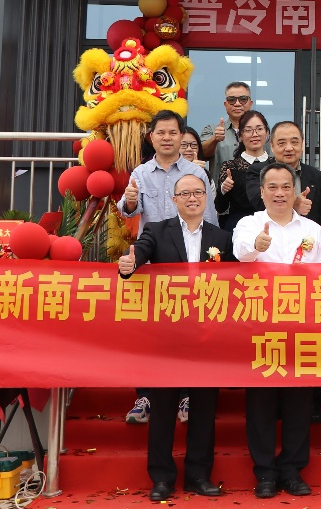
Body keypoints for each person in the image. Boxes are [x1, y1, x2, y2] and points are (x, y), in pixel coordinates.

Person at [116, 173, 234, 501]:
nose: (192, 198)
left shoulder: (222, 237)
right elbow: (140, 252)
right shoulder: (157, 230)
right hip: (168, 335)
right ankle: (161, 478)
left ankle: (199, 475)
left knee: (204, 409)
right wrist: (130, 264)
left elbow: (237, 280)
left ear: (206, 198)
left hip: (208, 335)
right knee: (164, 408)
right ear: (174, 200)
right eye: (185, 194)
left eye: (198, 192)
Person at [232, 162, 321, 499]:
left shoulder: (312, 229)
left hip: (302, 327)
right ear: (262, 192)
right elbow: (240, 255)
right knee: (260, 403)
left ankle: (292, 470)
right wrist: (257, 246)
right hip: (261, 327)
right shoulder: (249, 224)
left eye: (286, 186)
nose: (279, 193)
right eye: (272, 187)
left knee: (298, 403)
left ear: (295, 191)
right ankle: (264, 472)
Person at [117, 109, 217, 424]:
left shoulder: (195, 172)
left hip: (188, 259)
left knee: (188, 330)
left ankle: (186, 394)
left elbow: (210, 217)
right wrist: (130, 201)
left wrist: (210, 260)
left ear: (181, 136)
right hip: (152, 261)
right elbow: (128, 211)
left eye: (173, 132)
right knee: (150, 333)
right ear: (152, 137)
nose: (167, 138)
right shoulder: (140, 172)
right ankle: (146, 396)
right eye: (160, 132)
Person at [245, 121, 321, 260]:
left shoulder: (316, 176)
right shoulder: (257, 171)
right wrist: (293, 204)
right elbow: (258, 202)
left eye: (294, 142)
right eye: (282, 143)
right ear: (272, 146)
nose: (289, 148)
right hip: (267, 250)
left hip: (307, 254)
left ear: (302, 144)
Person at [214, 110, 269, 233]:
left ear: (266, 133)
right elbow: (220, 207)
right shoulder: (230, 166)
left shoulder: (275, 165)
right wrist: (224, 189)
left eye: (259, 129)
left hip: (270, 226)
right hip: (238, 228)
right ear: (240, 136)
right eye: (248, 130)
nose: (255, 134)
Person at [200, 81, 253, 183]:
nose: (237, 104)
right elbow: (201, 154)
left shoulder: (262, 134)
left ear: (250, 103)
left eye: (243, 99)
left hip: (254, 191)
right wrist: (214, 139)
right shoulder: (212, 130)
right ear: (225, 104)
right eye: (232, 100)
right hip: (221, 191)